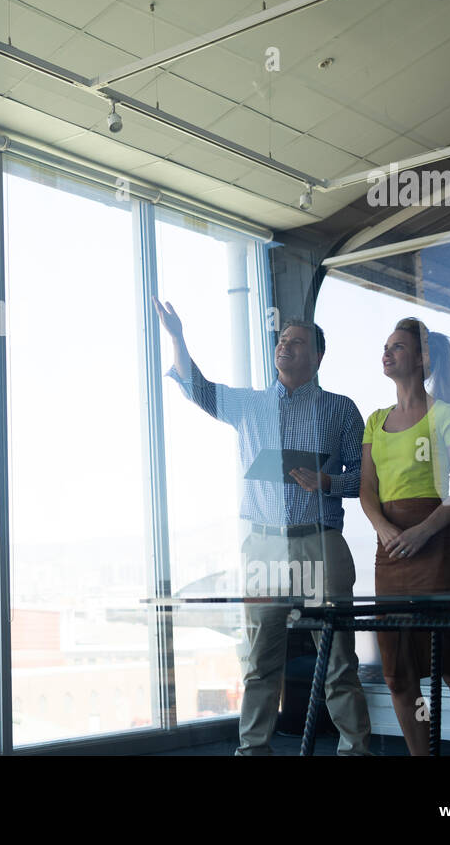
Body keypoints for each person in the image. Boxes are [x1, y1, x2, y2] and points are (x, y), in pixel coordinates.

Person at [153, 298, 371, 756]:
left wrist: (327, 481)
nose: (285, 347)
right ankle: (253, 751)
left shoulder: (340, 410)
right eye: (281, 341)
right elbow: (198, 388)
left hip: (319, 541)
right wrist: (177, 338)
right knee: (258, 661)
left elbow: (366, 482)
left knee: (338, 661)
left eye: (297, 343)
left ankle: (357, 749)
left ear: (317, 358)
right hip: (264, 548)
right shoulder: (250, 405)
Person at [360, 317, 450, 755]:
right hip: (390, 549)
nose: (388, 351)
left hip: (440, 545)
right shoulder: (375, 421)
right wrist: (385, 529)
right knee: (398, 673)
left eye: (398, 346)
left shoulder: (447, 415)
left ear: (421, 358)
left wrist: (422, 531)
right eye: (386, 344)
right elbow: (367, 490)